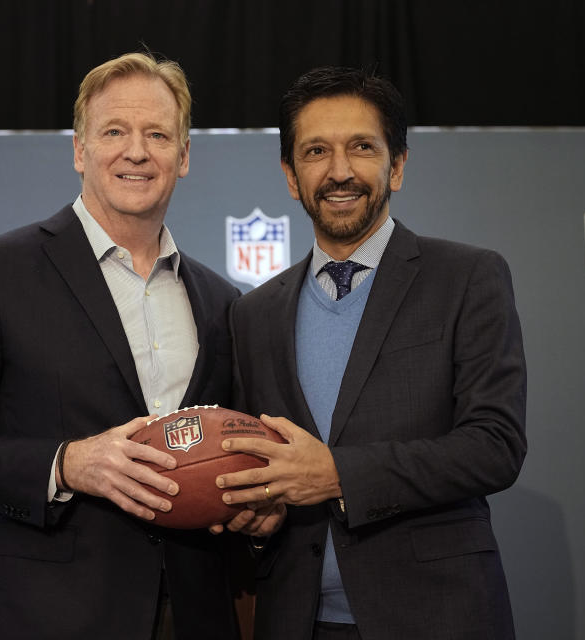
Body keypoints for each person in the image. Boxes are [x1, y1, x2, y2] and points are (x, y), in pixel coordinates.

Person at [0, 52, 241, 640]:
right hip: (40, 615)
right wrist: (66, 464)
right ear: (80, 150)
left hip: (193, 614)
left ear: (183, 156)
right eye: (114, 131)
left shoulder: (223, 302)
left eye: (157, 134)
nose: (136, 151)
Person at [216, 67, 527, 640]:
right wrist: (258, 517)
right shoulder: (251, 314)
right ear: (290, 175)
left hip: (437, 617)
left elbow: (494, 446)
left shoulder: (467, 278)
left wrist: (336, 475)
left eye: (361, 146)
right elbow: (258, 474)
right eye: (315, 151)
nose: (340, 171)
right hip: (296, 620)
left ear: (398, 164)